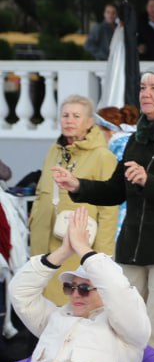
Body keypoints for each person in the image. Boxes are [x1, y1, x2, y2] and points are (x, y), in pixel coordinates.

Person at [55, 65, 154, 362]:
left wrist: (148, 181)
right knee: (124, 326)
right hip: (133, 249)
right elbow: (115, 189)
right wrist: (78, 185)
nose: (145, 94)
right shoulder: (138, 138)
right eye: (142, 87)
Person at [3, 208, 149, 362]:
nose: (75, 294)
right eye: (69, 287)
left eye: (84, 288)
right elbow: (20, 292)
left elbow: (118, 291)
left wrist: (85, 250)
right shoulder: (56, 318)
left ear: (103, 291)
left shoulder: (127, 328)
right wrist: (63, 251)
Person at [29, 95, 120, 304]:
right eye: (65, 115)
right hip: (42, 244)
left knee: (69, 304)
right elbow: (42, 191)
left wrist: (101, 257)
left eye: (76, 116)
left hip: (75, 246)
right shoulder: (54, 150)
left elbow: (109, 210)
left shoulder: (102, 156)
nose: (69, 120)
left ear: (89, 122)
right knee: (41, 307)